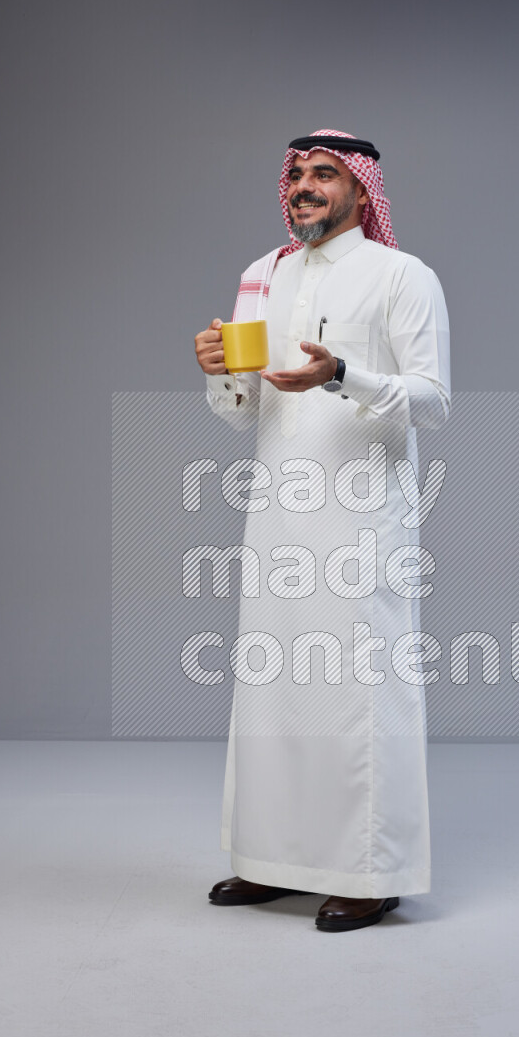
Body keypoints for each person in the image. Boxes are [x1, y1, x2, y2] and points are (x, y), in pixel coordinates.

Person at [194, 129, 451, 932]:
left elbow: (435, 401)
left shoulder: (402, 276)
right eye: (298, 173)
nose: (306, 186)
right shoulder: (262, 276)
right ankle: (271, 862)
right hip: (276, 515)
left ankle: (371, 873)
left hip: (362, 519)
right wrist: (221, 372)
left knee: (358, 693)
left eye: (326, 174)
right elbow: (243, 415)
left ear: (362, 190)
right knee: (273, 691)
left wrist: (341, 372)